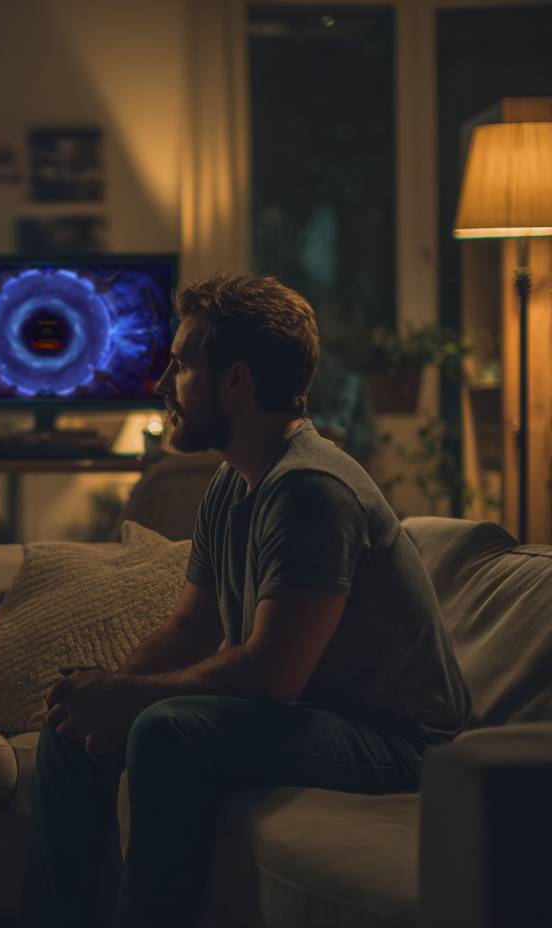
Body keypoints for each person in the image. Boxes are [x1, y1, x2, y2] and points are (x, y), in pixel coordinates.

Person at [24, 274, 471, 928]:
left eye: (180, 366)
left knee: (168, 729)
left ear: (235, 380)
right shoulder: (232, 484)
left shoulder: (310, 489)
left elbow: (272, 673)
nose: (162, 385)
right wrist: (107, 691)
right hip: (320, 716)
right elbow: (190, 626)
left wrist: (129, 701)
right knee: (70, 728)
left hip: (400, 741)